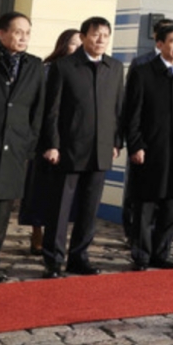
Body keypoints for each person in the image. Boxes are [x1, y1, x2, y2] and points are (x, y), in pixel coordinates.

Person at [40, 16, 125, 278]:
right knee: (60, 208)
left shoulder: (115, 67)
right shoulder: (64, 66)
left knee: (90, 209)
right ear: (84, 36)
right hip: (68, 149)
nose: (101, 40)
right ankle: (53, 261)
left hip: (101, 149)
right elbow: (51, 110)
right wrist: (52, 144)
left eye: (105, 35)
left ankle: (79, 257)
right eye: (96, 34)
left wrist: (116, 141)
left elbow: (118, 109)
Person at [0, 13, 45, 284]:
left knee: (1, 215)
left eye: (28, 32)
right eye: (18, 32)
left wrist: (28, 146)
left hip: (14, 151)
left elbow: (38, 111)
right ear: (1, 33)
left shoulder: (35, 66)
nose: (24, 37)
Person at [123, 25, 173, 271]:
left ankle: (161, 253)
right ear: (159, 44)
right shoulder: (143, 73)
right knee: (145, 207)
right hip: (150, 151)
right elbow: (132, 114)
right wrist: (136, 145)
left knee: (171, 206)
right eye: (172, 41)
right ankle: (141, 255)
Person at [16, 28, 81, 256]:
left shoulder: (82, 69)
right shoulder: (47, 69)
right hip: (44, 138)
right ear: (63, 45)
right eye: (73, 43)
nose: (78, 48)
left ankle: (57, 234)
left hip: (70, 139)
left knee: (63, 193)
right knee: (39, 188)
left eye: (80, 43)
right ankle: (37, 231)